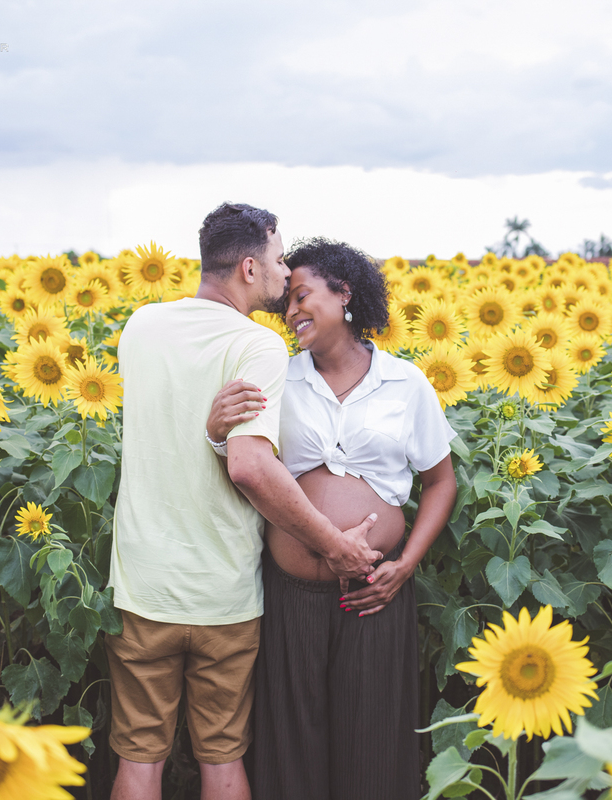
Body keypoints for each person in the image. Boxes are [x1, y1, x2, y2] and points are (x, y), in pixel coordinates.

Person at [106, 205, 383, 800]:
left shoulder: (141, 326)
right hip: (223, 596)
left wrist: (207, 433)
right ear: (251, 267)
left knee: (138, 762)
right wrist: (333, 544)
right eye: (281, 262)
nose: (285, 277)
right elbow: (252, 465)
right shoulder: (256, 344)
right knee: (224, 763)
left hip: (144, 587)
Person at [206, 238, 458, 800]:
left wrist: (406, 565)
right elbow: (239, 461)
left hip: (376, 588)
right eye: (286, 304)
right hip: (290, 588)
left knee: (371, 740)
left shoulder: (406, 382)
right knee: (291, 740)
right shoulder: (277, 377)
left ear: (344, 293)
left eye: (301, 297)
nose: (291, 312)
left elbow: (441, 482)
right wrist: (216, 428)